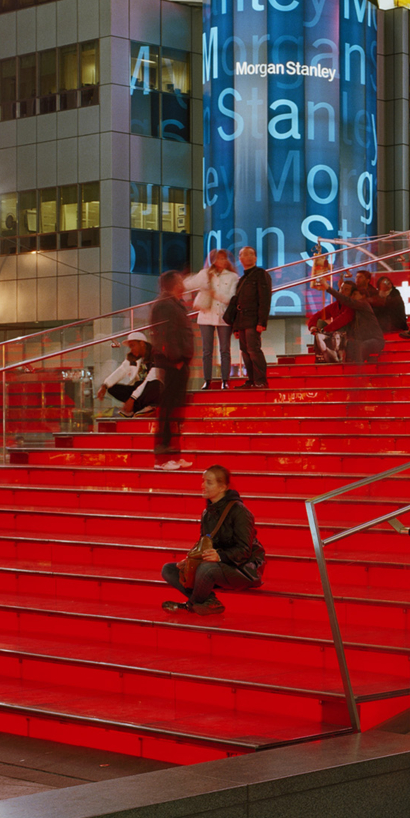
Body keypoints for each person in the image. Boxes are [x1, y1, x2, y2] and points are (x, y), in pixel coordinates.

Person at [160, 465, 266, 616]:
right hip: (219, 565)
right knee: (169, 569)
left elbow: (244, 551)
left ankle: (189, 605)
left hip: (243, 569)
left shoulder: (240, 511)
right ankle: (210, 601)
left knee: (206, 569)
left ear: (223, 487)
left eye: (209, 482)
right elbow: (205, 544)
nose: (203, 486)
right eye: (203, 481)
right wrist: (190, 560)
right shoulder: (207, 513)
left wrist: (220, 556)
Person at [149, 269, 196, 470]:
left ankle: (174, 453)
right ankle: (165, 450)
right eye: (180, 279)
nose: (183, 282)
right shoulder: (164, 305)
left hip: (179, 363)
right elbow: (163, 335)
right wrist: (175, 359)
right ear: (173, 283)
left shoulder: (174, 303)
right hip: (172, 364)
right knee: (169, 407)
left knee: (176, 407)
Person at [184, 249, 241, 389]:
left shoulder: (233, 277)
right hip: (206, 315)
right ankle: (207, 380)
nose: (221, 261)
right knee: (207, 350)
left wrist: (214, 293)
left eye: (223, 258)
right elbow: (187, 285)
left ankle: (225, 380)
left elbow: (231, 298)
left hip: (223, 316)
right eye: (218, 258)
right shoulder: (204, 274)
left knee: (224, 350)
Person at [227, 246, 271, 389]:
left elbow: (265, 300)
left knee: (254, 349)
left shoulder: (260, 274)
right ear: (240, 259)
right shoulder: (242, 279)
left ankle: (261, 380)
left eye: (251, 254)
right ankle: (251, 380)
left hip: (253, 319)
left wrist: (262, 321)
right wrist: (235, 328)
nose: (248, 256)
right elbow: (237, 304)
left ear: (256, 258)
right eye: (244, 254)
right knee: (245, 352)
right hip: (242, 320)